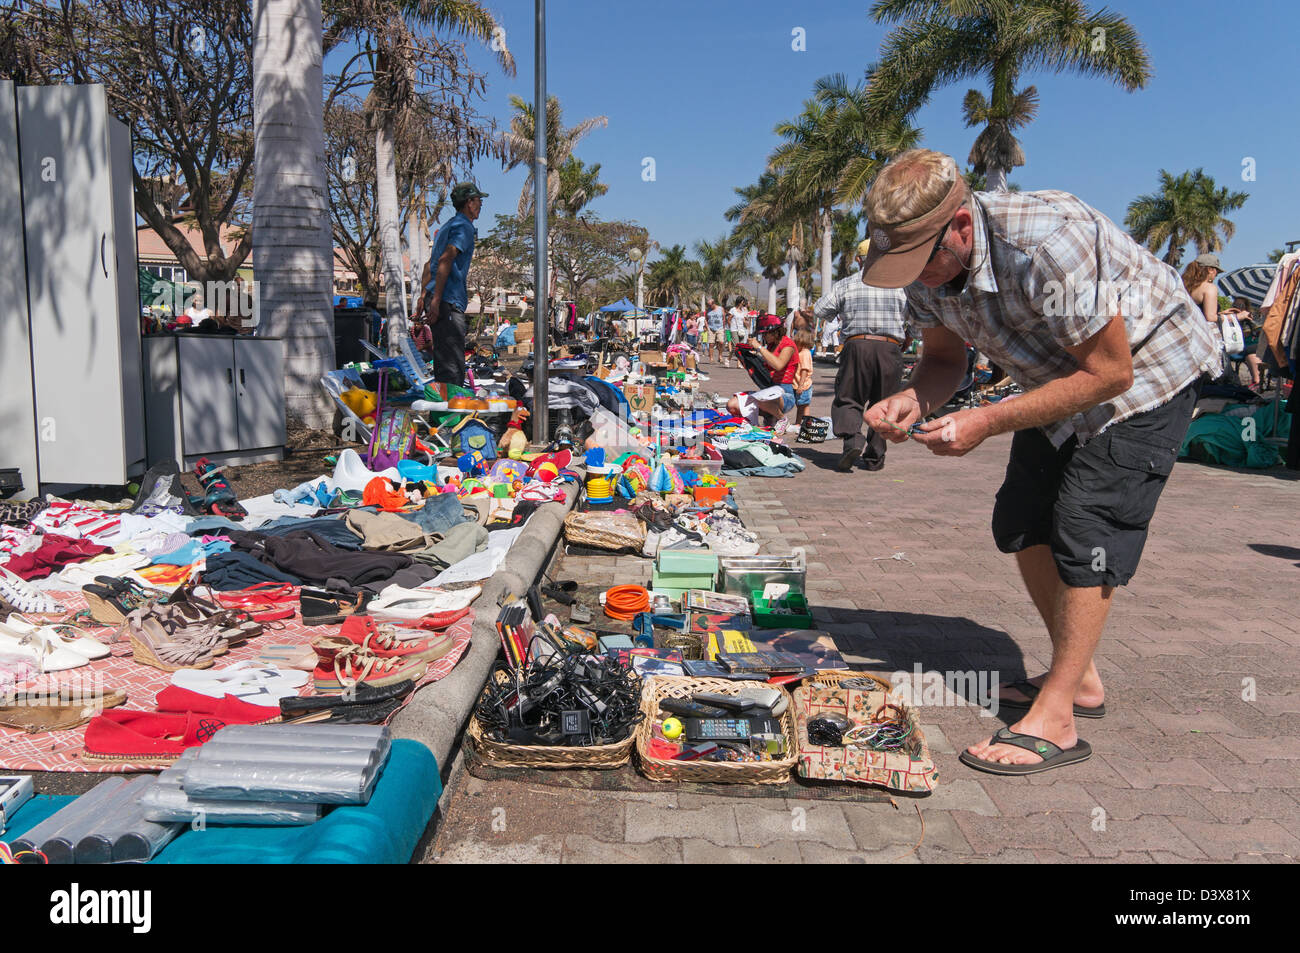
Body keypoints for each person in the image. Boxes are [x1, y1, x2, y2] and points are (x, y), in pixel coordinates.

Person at [859, 148, 1221, 776]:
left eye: (923, 264)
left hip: (1146, 372)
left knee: (1088, 527)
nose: (918, 280)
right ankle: (1079, 678)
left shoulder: (1047, 244)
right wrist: (910, 399)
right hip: (1056, 377)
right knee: (1022, 522)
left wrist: (986, 421)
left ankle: (1057, 714)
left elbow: (1110, 372)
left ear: (961, 229)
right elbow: (945, 362)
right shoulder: (927, 270)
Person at [810, 238, 911, 472]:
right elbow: (916, 316)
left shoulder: (847, 284)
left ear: (858, 259)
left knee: (849, 397)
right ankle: (875, 457)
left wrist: (843, 313)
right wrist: (908, 336)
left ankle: (852, 441)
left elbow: (820, 309)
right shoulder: (901, 285)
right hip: (889, 348)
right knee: (884, 403)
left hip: (856, 346)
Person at [419, 181, 487, 385]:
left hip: (438, 297)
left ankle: (441, 413)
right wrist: (437, 300)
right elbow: (444, 260)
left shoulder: (447, 226)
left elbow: (427, 266)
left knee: (444, 361)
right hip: (448, 300)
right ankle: (451, 415)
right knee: (452, 365)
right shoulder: (464, 227)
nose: (481, 205)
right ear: (469, 203)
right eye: (478, 201)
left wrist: (424, 297)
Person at [748, 313, 798, 431]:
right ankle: (770, 417)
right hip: (770, 389)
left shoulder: (788, 345)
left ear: (775, 332)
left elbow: (778, 365)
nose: (763, 336)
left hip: (785, 393)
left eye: (765, 334)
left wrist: (760, 348)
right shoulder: (771, 345)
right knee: (734, 404)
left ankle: (782, 419)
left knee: (762, 399)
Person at [792, 328, 815, 425]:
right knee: (801, 406)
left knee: (804, 406)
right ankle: (800, 423)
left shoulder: (805, 353)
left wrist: (800, 385)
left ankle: (805, 424)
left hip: (803, 385)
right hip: (800, 385)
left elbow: (804, 370)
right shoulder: (802, 353)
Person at [706, 299, 726, 364]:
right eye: (708, 305)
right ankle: (711, 358)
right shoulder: (708, 310)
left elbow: (723, 318)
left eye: (710, 305)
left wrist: (723, 327)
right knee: (711, 344)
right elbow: (706, 319)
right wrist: (707, 327)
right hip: (711, 328)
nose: (709, 306)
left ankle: (720, 356)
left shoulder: (720, 309)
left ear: (713, 303)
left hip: (720, 328)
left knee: (721, 342)